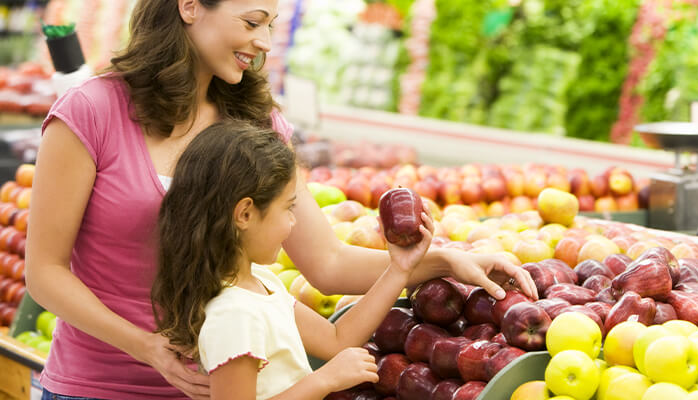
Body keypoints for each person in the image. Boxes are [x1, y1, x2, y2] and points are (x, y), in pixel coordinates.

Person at [25, 0, 535, 399]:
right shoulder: (91, 111)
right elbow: (45, 273)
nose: (264, 42)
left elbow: (328, 263)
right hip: (100, 389)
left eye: (270, 25)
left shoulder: (257, 125)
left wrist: (444, 260)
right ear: (189, 7)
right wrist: (148, 349)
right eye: (251, 22)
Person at [152, 120, 433, 400]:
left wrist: (399, 269)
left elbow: (337, 340)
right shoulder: (233, 315)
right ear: (245, 214)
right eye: (287, 208)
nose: (293, 221)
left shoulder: (262, 282)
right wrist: (324, 380)